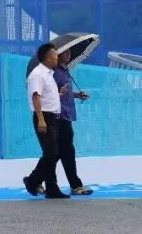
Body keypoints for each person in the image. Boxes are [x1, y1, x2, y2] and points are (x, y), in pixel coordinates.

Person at [22, 42, 69, 200]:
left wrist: (59, 94)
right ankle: (32, 180)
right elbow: (35, 96)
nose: (57, 57)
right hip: (45, 117)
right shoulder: (37, 74)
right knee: (51, 153)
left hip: (54, 117)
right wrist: (41, 119)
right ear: (47, 58)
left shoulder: (49, 74)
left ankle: (51, 188)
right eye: (55, 54)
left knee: (54, 153)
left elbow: (46, 96)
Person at [54, 49, 92, 196]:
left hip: (67, 115)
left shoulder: (65, 72)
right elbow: (51, 94)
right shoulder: (55, 73)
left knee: (57, 152)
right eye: (65, 53)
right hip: (60, 116)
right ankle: (75, 185)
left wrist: (77, 95)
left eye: (69, 52)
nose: (68, 55)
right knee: (66, 151)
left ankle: (35, 180)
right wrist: (60, 93)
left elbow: (66, 93)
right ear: (57, 55)